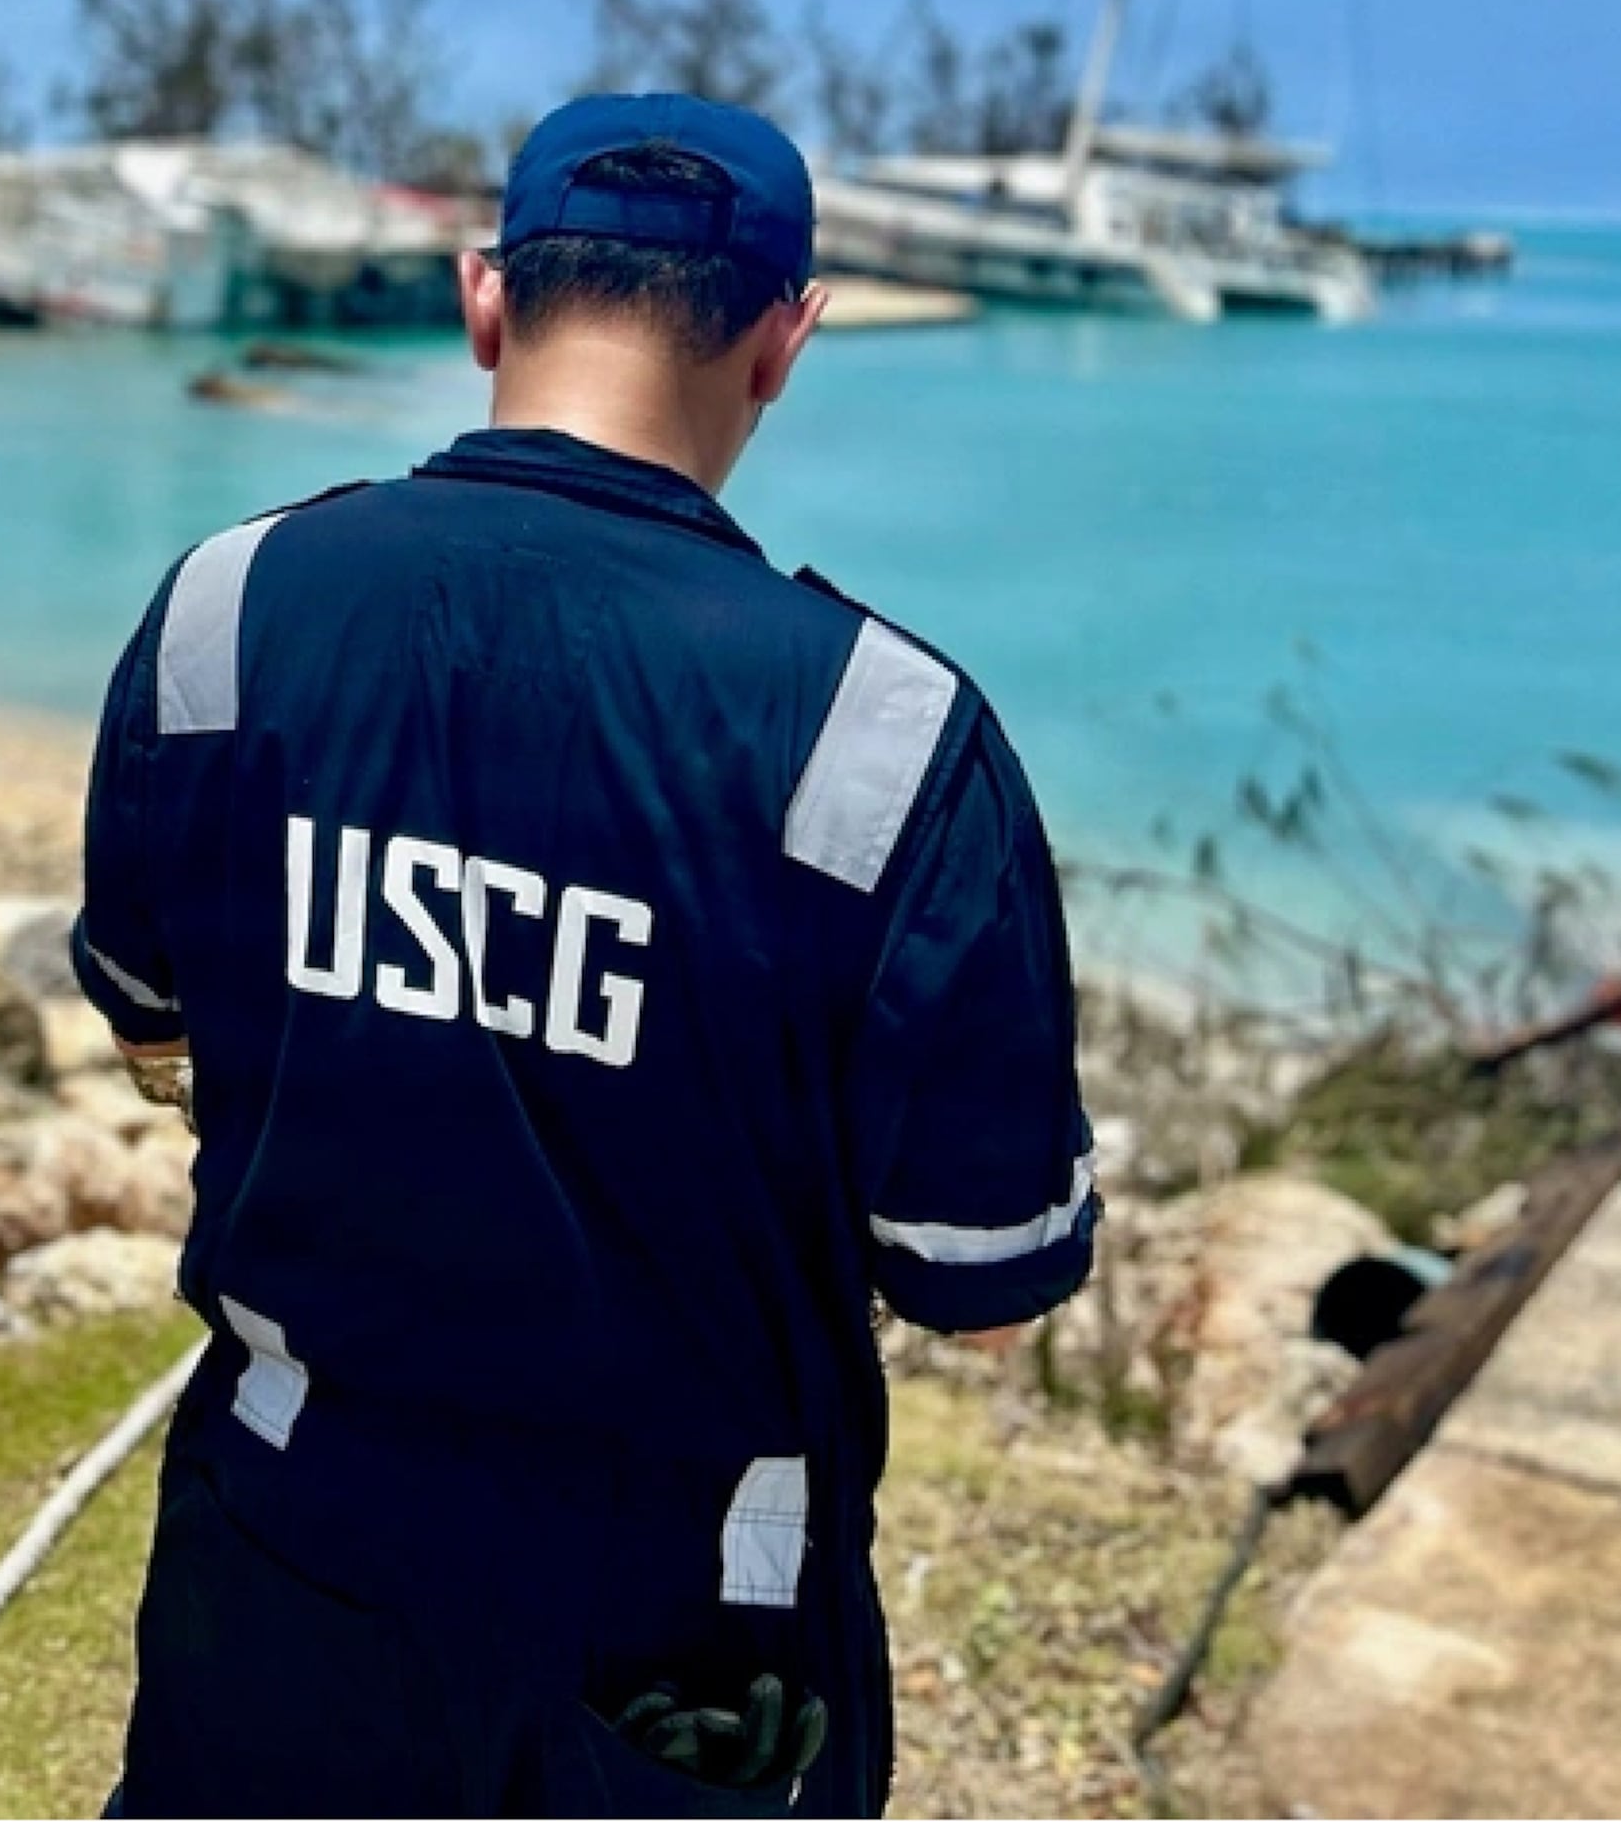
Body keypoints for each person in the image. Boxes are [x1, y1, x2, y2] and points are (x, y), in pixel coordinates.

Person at [72, 94, 1098, 1817]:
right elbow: (979, 1274)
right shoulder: (886, 735)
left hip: (285, 1530)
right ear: (788, 340)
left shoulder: (225, 609)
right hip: (689, 1613)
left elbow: (154, 1020)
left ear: (486, 299)